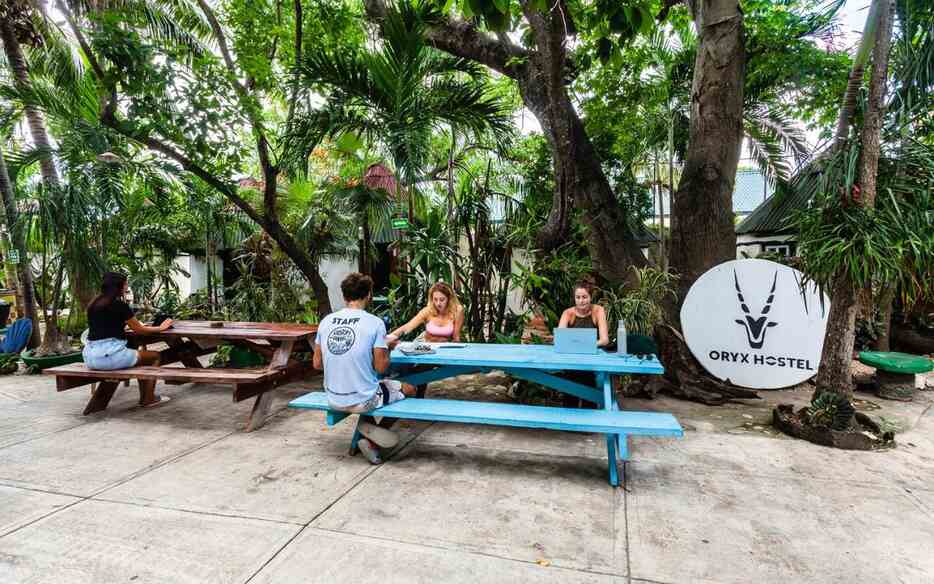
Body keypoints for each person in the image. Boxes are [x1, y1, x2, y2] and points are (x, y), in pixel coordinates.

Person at [313, 272, 416, 465]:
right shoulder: (375, 323)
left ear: (344, 296)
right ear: (369, 295)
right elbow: (381, 366)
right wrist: (387, 348)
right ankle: (370, 436)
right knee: (410, 389)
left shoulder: (326, 322)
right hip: (364, 400)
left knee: (379, 387)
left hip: (333, 398)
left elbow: (317, 364)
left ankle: (368, 430)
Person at [83, 272, 174, 407]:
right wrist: (161, 328)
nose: (127, 286)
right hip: (109, 357)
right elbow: (140, 329)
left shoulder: (94, 304)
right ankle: (148, 398)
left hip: (90, 357)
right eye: (125, 283)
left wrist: (120, 329)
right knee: (154, 357)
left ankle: (146, 396)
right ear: (118, 286)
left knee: (139, 356)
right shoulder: (119, 305)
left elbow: (103, 326)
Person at [556, 282, 609, 408]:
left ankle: (589, 415)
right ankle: (569, 419)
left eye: (584, 297)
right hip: (572, 359)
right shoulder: (568, 313)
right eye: (578, 297)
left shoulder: (598, 311)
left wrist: (583, 346)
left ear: (591, 297)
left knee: (589, 385)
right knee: (570, 386)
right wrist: (578, 347)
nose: (581, 301)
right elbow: (560, 338)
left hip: (592, 358)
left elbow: (604, 340)